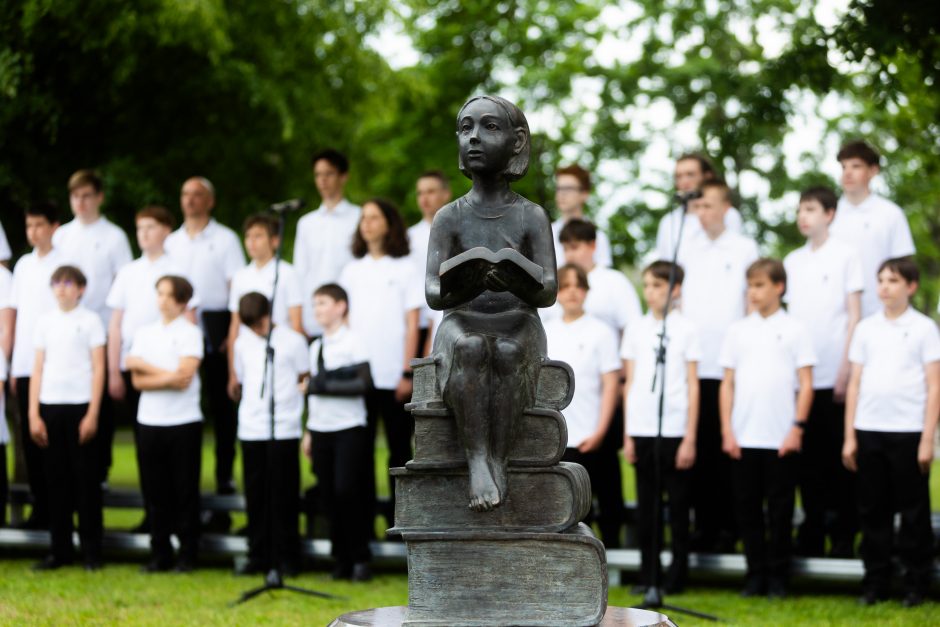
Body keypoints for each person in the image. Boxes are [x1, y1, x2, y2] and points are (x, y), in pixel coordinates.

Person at [426, 95, 557, 511]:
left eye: (489, 127)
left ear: (518, 141)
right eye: (465, 129)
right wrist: (468, 283)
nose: (474, 138)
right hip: (462, 319)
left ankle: (499, 457)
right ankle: (477, 458)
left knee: (507, 350)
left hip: (516, 319)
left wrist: (515, 277)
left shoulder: (531, 216)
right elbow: (433, 292)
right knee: (469, 347)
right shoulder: (448, 217)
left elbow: (548, 289)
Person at [842, 257, 940, 608]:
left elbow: (934, 385)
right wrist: (850, 436)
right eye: (881, 280)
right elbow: (854, 383)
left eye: (893, 280)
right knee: (873, 511)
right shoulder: (866, 329)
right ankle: (875, 581)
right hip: (869, 430)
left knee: (913, 513)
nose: (884, 286)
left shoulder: (925, 328)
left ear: (911, 286)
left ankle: (916, 583)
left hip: (908, 431)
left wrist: (927, 438)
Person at [719, 258, 815, 599]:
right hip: (744, 436)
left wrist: (797, 428)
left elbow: (806, 384)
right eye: (750, 285)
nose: (753, 292)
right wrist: (728, 431)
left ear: (779, 287)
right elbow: (727, 383)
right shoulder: (737, 330)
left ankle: (779, 578)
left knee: (780, 510)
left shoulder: (796, 329)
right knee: (747, 511)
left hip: (780, 437)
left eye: (760, 285)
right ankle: (754, 575)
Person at [106, 205, 197, 530]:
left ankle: (180, 525)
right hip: (139, 368)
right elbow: (115, 325)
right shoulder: (129, 272)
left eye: (150, 227)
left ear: (165, 231)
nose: (143, 233)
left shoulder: (179, 268)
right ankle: (153, 516)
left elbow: (190, 318)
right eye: (139, 227)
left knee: (178, 459)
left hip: (170, 365)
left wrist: (174, 371)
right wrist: (115, 371)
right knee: (149, 450)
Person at [783, 186, 863, 558]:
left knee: (839, 463)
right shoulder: (793, 261)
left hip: (836, 377)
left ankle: (844, 537)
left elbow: (854, 316)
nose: (803, 215)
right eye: (800, 209)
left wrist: (847, 370)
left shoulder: (847, 256)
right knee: (807, 465)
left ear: (829, 214)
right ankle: (811, 534)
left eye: (811, 209)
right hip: (802, 383)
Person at [681, 179, 759, 553]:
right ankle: (703, 529)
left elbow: (750, 303)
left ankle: (730, 530)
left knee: (728, 452)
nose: (701, 213)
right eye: (697, 207)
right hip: (694, 365)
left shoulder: (745, 248)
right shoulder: (686, 247)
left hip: (731, 366)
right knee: (698, 452)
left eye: (708, 206)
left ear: (726, 208)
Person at [165, 176, 245, 513]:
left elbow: (236, 287)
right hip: (176, 326)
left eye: (198, 195)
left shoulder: (225, 239)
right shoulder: (170, 242)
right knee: (179, 400)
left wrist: (230, 334)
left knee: (221, 406)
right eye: (185, 194)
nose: (190, 200)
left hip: (216, 322)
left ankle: (223, 474)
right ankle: (177, 479)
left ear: (209, 201)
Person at [340, 198, 422, 524]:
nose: (367, 223)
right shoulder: (351, 271)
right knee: (358, 455)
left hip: (393, 376)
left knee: (399, 452)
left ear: (389, 223)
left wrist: (407, 372)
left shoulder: (406, 268)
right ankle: (362, 526)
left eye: (374, 217)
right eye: (363, 218)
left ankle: (401, 523)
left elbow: (414, 324)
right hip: (359, 377)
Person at [621, 260, 700, 594]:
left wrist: (690, 437)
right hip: (642, 427)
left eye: (657, 285)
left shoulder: (687, 329)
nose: (649, 292)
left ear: (675, 289)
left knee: (678, 507)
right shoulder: (636, 328)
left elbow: (692, 384)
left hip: (675, 429)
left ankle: (677, 574)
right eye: (648, 285)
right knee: (648, 507)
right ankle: (648, 575)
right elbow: (631, 381)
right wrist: (627, 433)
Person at [53, 169, 133, 485]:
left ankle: (100, 469)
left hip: (101, 330)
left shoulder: (114, 237)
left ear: (99, 197)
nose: (81, 202)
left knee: (99, 403)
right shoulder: (62, 237)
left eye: (87, 195)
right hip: (66, 334)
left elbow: (123, 286)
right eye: (75, 196)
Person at [28, 265, 106, 570]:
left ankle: (92, 552)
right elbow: (38, 368)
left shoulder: (90, 321)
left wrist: (92, 413)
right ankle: (59, 551)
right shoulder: (45, 322)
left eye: (68, 282)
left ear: (81, 288)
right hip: (51, 406)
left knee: (85, 481)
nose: (61, 288)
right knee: (55, 482)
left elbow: (98, 368)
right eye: (56, 283)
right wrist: (34, 413)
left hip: (80, 406)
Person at [126, 275, 203, 573]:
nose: (162, 300)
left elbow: (184, 377)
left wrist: (147, 367)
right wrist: (168, 375)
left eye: (168, 295)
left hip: (183, 421)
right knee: (155, 491)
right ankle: (160, 552)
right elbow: (136, 378)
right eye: (159, 293)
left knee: (184, 491)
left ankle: (188, 552)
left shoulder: (190, 333)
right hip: (150, 422)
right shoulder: (145, 332)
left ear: (182, 301)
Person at [544, 264, 621, 547]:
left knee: (604, 496)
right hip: (557, 434)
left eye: (578, 285)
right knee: (559, 500)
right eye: (565, 286)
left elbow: (611, 383)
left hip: (591, 431)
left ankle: (608, 551)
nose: (572, 292)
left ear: (586, 291)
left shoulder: (602, 332)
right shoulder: (546, 331)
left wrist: (601, 430)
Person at [232, 292, 307, 576]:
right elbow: (243, 377)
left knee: (284, 495)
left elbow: (303, 374)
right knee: (256, 495)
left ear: (269, 315)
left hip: (283, 426)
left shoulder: (292, 340)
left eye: (260, 324)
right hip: (252, 427)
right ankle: (258, 555)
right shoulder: (242, 342)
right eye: (251, 326)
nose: (256, 331)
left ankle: (288, 557)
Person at [302, 283, 373, 581]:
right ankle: (340, 559)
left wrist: (320, 385)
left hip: (348, 428)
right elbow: (312, 396)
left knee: (348, 492)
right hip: (321, 429)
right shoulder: (315, 346)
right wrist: (308, 431)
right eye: (315, 303)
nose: (317, 309)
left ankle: (360, 557)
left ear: (341, 306)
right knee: (328, 495)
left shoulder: (354, 340)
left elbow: (363, 384)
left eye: (323, 303)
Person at [9, 202, 62, 529]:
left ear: (54, 226)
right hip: (26, 364)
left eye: (39, 225)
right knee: (30, 442)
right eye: (29, 226)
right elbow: (16, 317)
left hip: (56, 367)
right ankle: (40, 509)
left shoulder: (65, 265)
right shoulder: (24, 266)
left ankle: (57, 512)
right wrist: (14, 366)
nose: (33, 232)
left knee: (54, 441)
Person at [831, 140, 915, 317]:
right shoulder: (829, 216)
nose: (848, 173)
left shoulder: (891, 214)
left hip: (879, 314)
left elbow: (904, 267)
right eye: (844, 166)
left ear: (873, 170)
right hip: (835, 316)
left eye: (856, 166)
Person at [227, 213, 304, 401]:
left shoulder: (287, 273)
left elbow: (296, 324)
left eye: (258, 236)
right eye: (248, 236)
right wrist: (233, 372)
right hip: (248, 354)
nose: (251, 242)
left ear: (274, 241)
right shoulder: (241, 276)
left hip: (281, 353)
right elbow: (235, 326)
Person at [294, 149, 361, 338]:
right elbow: (300, 271)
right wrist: (299, 319)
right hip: (313, 317)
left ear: (343, 176)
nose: (322, 180)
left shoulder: (359, 217)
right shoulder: (306, 223)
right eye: (318, 175)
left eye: (329, 173)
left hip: (349, 314)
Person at [654, 153, 743, 265]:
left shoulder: (728, 214)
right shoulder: (668, 222)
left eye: (690, 174)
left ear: (707, 176)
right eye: (678, 176)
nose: (684, 181)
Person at [409, 170, 453, 355]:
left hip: (447, 318)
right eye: (420, 193)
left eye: (430, 191)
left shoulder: (459, 232)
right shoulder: (407, 238)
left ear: (446, 193)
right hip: (414, 322)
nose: (424, 198)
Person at [552, 165, 612, 268]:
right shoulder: (546, 233)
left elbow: (602, 275)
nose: (562, 194)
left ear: (585, 194)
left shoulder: (598, 237)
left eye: (568, 188)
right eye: (559, 188)